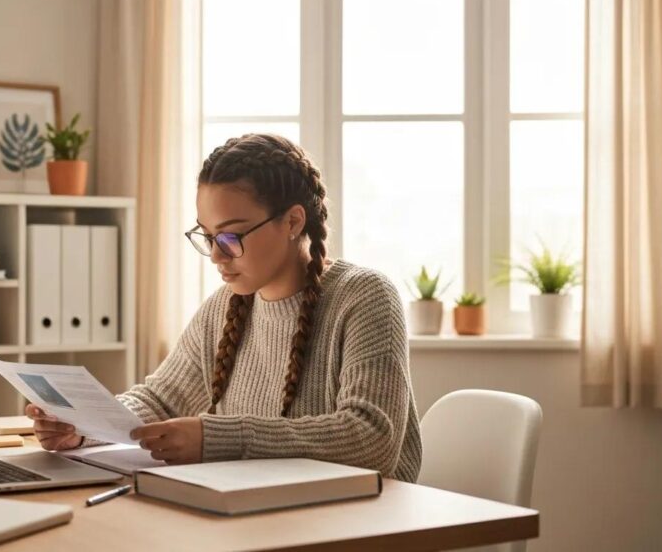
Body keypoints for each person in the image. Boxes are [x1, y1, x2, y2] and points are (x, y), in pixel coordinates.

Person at [27, 133, 421, 481]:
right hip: (259, 514)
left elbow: (371, 438)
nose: (216, 254)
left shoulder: (364, 296)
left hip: (360, 521)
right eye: (208, 235)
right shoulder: (227, 307)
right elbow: (159, 400)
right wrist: (83, 427)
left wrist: (216, 437)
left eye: (231, 236)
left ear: (293, 222)